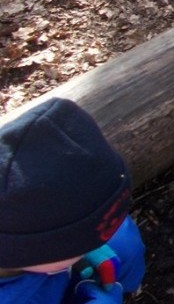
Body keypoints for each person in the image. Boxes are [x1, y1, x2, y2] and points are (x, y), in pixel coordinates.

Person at [0, 98, 145, 304]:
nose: (98, 242)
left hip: (54, 273)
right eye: (81, 244)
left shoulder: (32, 248)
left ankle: (128, 290)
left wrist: (80, 249)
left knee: (123, 243)